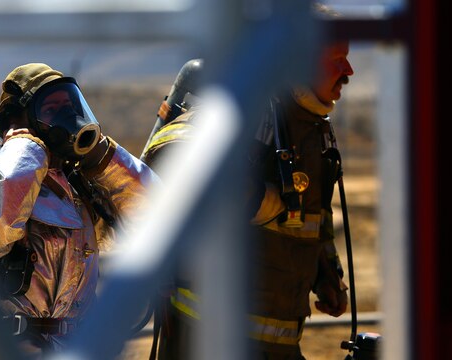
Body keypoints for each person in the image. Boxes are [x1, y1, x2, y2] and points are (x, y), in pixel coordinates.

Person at [141, 4, 354, 359]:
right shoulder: (248, 107)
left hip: (280, 342)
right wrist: (259, 201)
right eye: (336, 59)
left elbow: (309, 216)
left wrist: (326, 272)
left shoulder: (312, 129)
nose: (348, 70)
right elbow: (170, 157)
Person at [0, 63, 160, 357]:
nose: (69, 118)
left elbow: (157, 217)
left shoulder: (78, 192)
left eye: (71, 106)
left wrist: (103, 158)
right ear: (20, 119)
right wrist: (25, 144)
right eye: (52, 110)